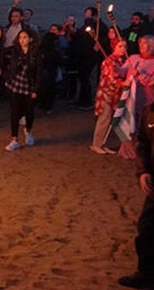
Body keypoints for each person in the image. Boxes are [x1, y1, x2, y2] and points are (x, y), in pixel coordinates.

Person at [118, 102, 154, 288]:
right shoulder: (150, 111)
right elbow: (142, 143)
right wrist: (143, 171)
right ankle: (146, 274)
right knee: (147, 228)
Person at [3, 29, 42, 152]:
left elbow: (39, 73)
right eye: (20, 37)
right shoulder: (15, 52)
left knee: (29, 112)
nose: (22, 40)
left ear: (30, 39)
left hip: (29, 87)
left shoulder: (36, 54)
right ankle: (14, 139)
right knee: (15, 112)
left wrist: (36, 89)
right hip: (15, 85)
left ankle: (28, 130)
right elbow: (4, 56)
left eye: (25, 37)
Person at [89, 39, 127, 154]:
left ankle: (102, 143)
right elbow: (111, 78)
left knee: (110, 119)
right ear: (114, 47)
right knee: (104, 119)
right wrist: (123, 83)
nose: (123, 49)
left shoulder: (120, 61)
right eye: (120, 46)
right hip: (106, 94)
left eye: (124, 46)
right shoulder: (108, 61)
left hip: (114, 95)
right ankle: (96, 144)